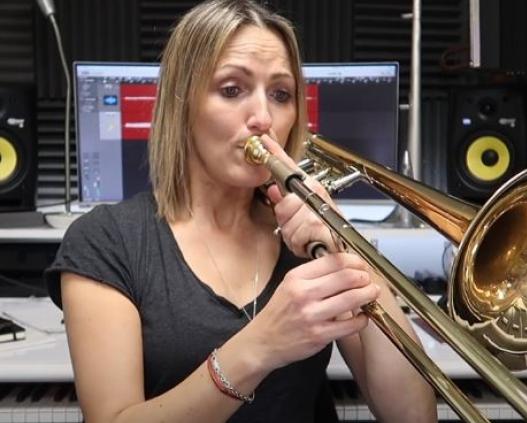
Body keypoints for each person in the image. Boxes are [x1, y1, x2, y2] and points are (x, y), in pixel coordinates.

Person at [44, 1, 437, 422]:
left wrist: (350, 249)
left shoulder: (308, 237)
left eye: (281, 95)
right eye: (232, 90)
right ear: (183, 104)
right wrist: (262, 345)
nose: (264, 118)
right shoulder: (107, 241)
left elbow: (412, 415)